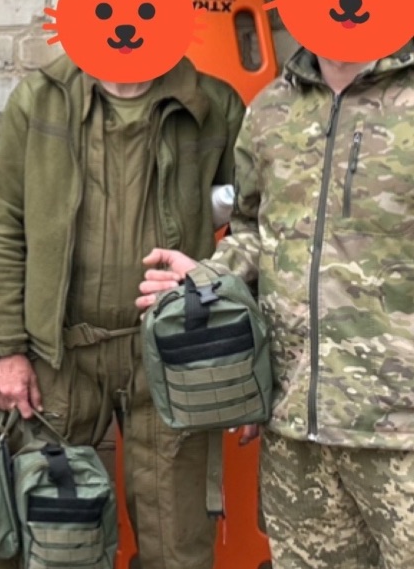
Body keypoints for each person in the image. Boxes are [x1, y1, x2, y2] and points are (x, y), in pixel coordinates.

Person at [0, 0, 245, 569]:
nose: (125, 26)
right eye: (105, 9)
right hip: (60, 355)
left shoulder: (214, 106)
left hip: (169, 356)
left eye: (144, 9)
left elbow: (256, 225)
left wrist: (237, 346)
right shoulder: (41, 100)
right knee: (53, 536)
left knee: (177, 543)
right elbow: (4, 223)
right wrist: (5, 349)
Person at [138, 39, 414, 568]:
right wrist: (209, 276)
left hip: (399, 428)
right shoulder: (271, 109)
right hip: (294, 429)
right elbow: (253, 229)